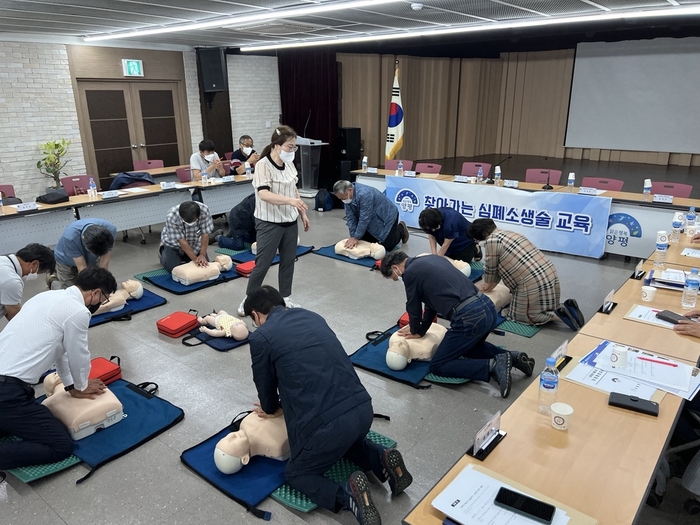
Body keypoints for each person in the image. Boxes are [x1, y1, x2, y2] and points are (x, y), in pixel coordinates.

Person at [243, 286, 412, 525]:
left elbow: (265, 385)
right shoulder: (312, 315)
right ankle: (381, 458)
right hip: (362, 409)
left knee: (296, 473)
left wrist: (271, 408)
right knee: (344, 442)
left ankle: (348, 496)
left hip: (325, 427)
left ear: (256, 315)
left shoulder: (261, 336)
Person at [0, 267, 117, 470]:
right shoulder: (78, 312)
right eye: (104, 298)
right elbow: (78, 354)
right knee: (60, 446)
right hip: (7, 393)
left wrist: (73, 386)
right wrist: (81, 386)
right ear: (96, 293)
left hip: (10, 387)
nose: (101, 303)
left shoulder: (46, 296)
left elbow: (61, 352)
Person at [379, 251, 535, 398]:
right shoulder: (431, 259)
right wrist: (421, 331)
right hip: (487, 308)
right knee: (469, 347)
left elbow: (413, 306)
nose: (397, 279)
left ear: (395, 268)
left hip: (469, 317)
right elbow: (430, 305)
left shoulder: (410, 273)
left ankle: (492, 366)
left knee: (438, 365)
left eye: (394, 277)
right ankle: (512, 357)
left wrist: (414, 329)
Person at [237, 126, 310, 315]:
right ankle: (248, 299)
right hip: (269, 221)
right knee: (263, 264)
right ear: (277, 145)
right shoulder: (263, 165)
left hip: (289, 221)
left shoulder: (290, 164)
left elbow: (292, 187)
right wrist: (290, 201)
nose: (292, 151)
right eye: (289, 147)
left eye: (294, 147)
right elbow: (263, 194)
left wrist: (301, 211)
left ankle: (285, 297)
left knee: (288, 261)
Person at [468, 218, 583, 329]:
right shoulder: (510, 233)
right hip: (549, 274)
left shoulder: (491, 241)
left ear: (484, 234)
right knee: (542, 304)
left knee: (520, 316)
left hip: (531, 282)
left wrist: (484, 287)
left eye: (477, 239)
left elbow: (491, 269)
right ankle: (563, 307)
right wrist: (489, 285)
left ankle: (557, 317)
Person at [333, 180, 409, 252]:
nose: (343, 200)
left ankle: (401, 228)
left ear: (350, 190)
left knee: (387, 246)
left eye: (343, 198)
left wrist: (356, 237)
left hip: (386, 217)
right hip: (372, 218)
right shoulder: (347, 197)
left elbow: (364, 218)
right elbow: (350, 218)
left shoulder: (365, 194)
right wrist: (353, 236)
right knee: (364, 241)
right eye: (341, 199)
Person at [50, 219, 116, 289]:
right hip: (66, 260)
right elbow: (82, 268)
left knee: (100, 284)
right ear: (83, 238)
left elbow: (104, 261)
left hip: (89, 259)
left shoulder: (110, 230)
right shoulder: (70, 237)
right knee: (71, 289)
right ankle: (52, 279)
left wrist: (102, 284)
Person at [0, 243, 55, 321]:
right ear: (34, 264)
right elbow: (16, 318)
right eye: (40, 272)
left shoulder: (2, 260)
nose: (37, 275)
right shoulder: (12, 282)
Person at [160, 201, 219, 272]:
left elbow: (205, 233)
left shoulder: (204, 210)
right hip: (173, 242)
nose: (189, 224)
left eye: (192, 221)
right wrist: (195, 259)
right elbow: (181, 240)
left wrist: (202, 255)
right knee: (173, 269)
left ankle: (185, 256)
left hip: (194, 241)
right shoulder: (172, 215)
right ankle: (163, 250)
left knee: (204, 264)